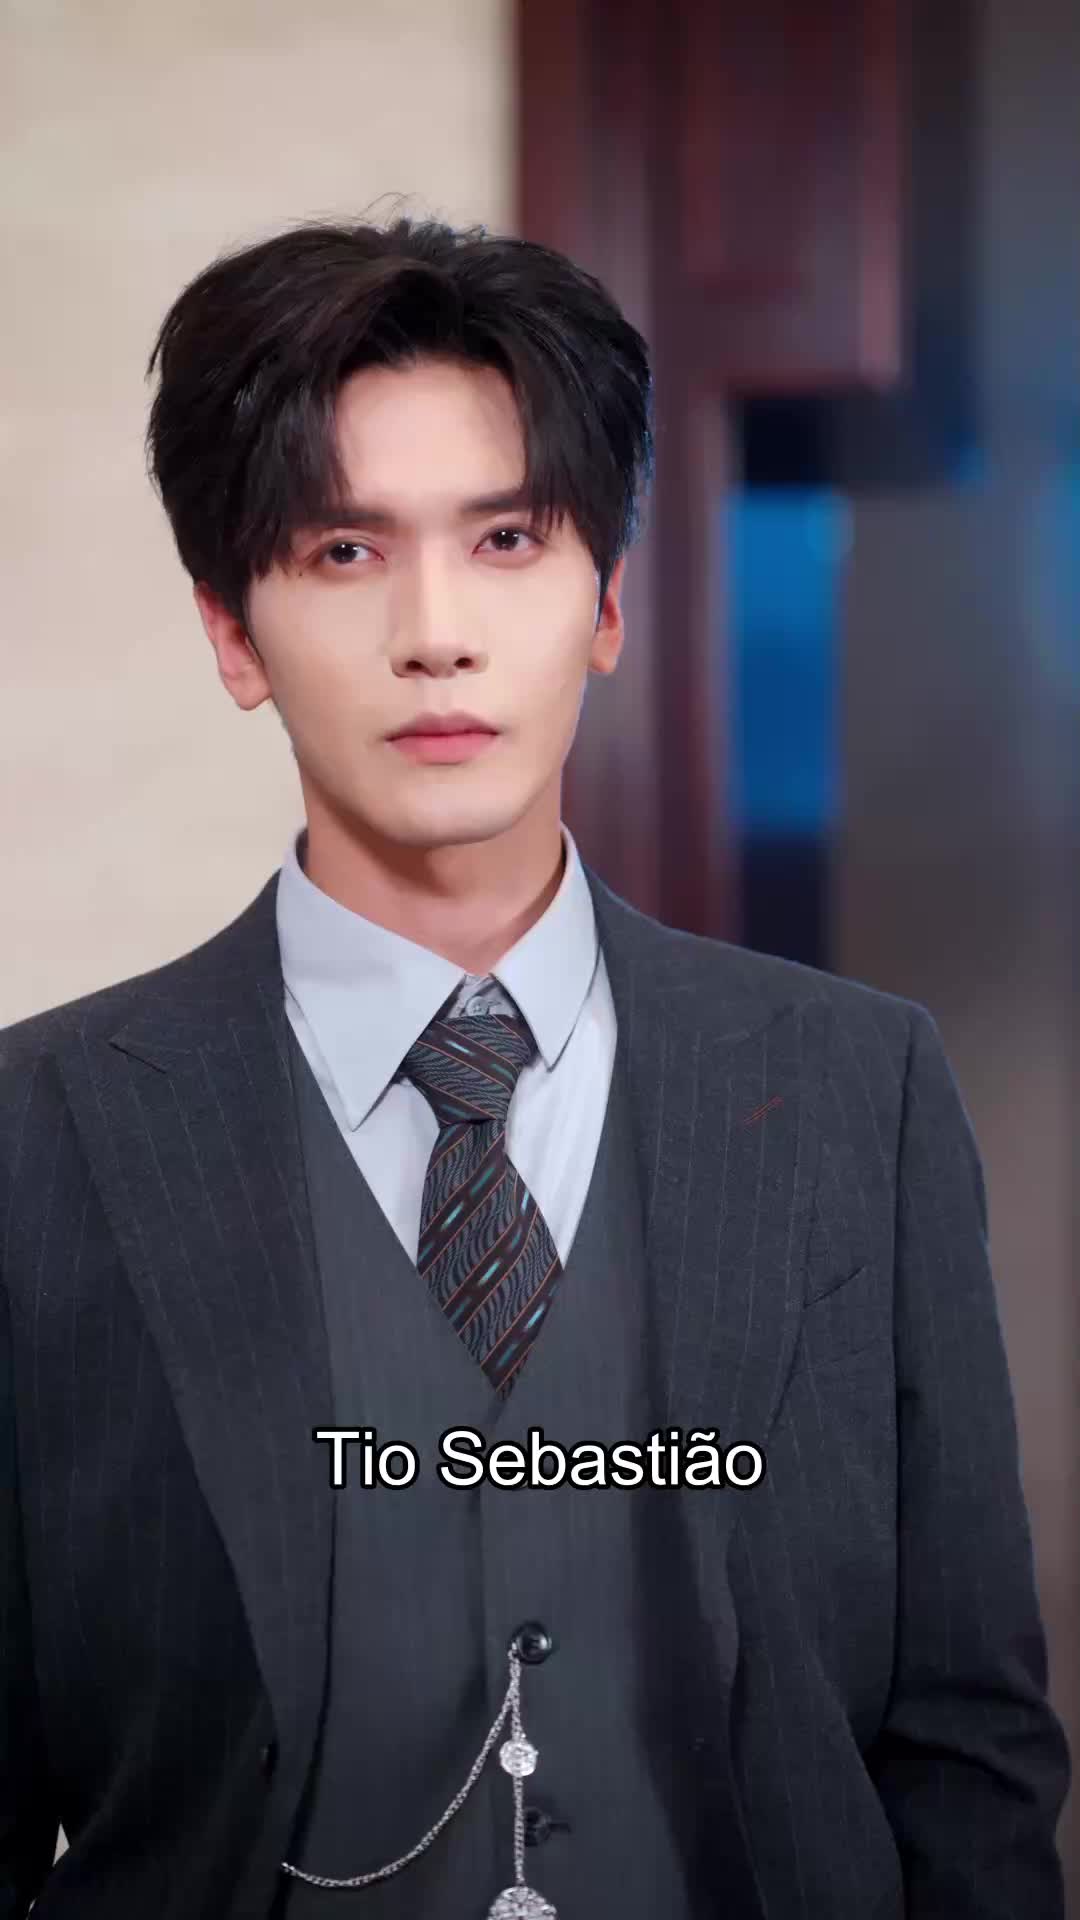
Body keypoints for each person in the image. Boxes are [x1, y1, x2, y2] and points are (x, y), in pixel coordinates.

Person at [0, 214, 1069, 1920]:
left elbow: (968, 1749)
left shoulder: (858, 1093)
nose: (436, 632)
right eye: (344, 551)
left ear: (608, 602)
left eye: (507, 538)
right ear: (232, 633)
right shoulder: (35, 1139)